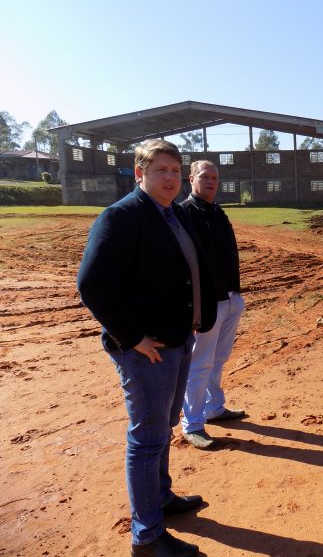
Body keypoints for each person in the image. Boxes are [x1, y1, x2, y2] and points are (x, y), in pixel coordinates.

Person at [77, 139, 216, 557]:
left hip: (176, 340)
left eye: (175, 170)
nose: (170, 178)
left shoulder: (172, 215)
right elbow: (92, 283)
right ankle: (147, 536)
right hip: (145, 350)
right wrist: (132, 337)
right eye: (160, 171)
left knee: (163, 427)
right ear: (140, 174)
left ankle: (162, 499)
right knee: (147, 438)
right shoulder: (121, 217)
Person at [180, 160, 246, 449]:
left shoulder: (217, 212)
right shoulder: (184, 213)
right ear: (192, 179)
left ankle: (214, 408)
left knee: (218, 359)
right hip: (207, 302)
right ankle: (192, 424)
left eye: (214, 177)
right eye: (204, 176)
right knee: (200, 362)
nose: (210, 181)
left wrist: (237, 295)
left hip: (230, 297)